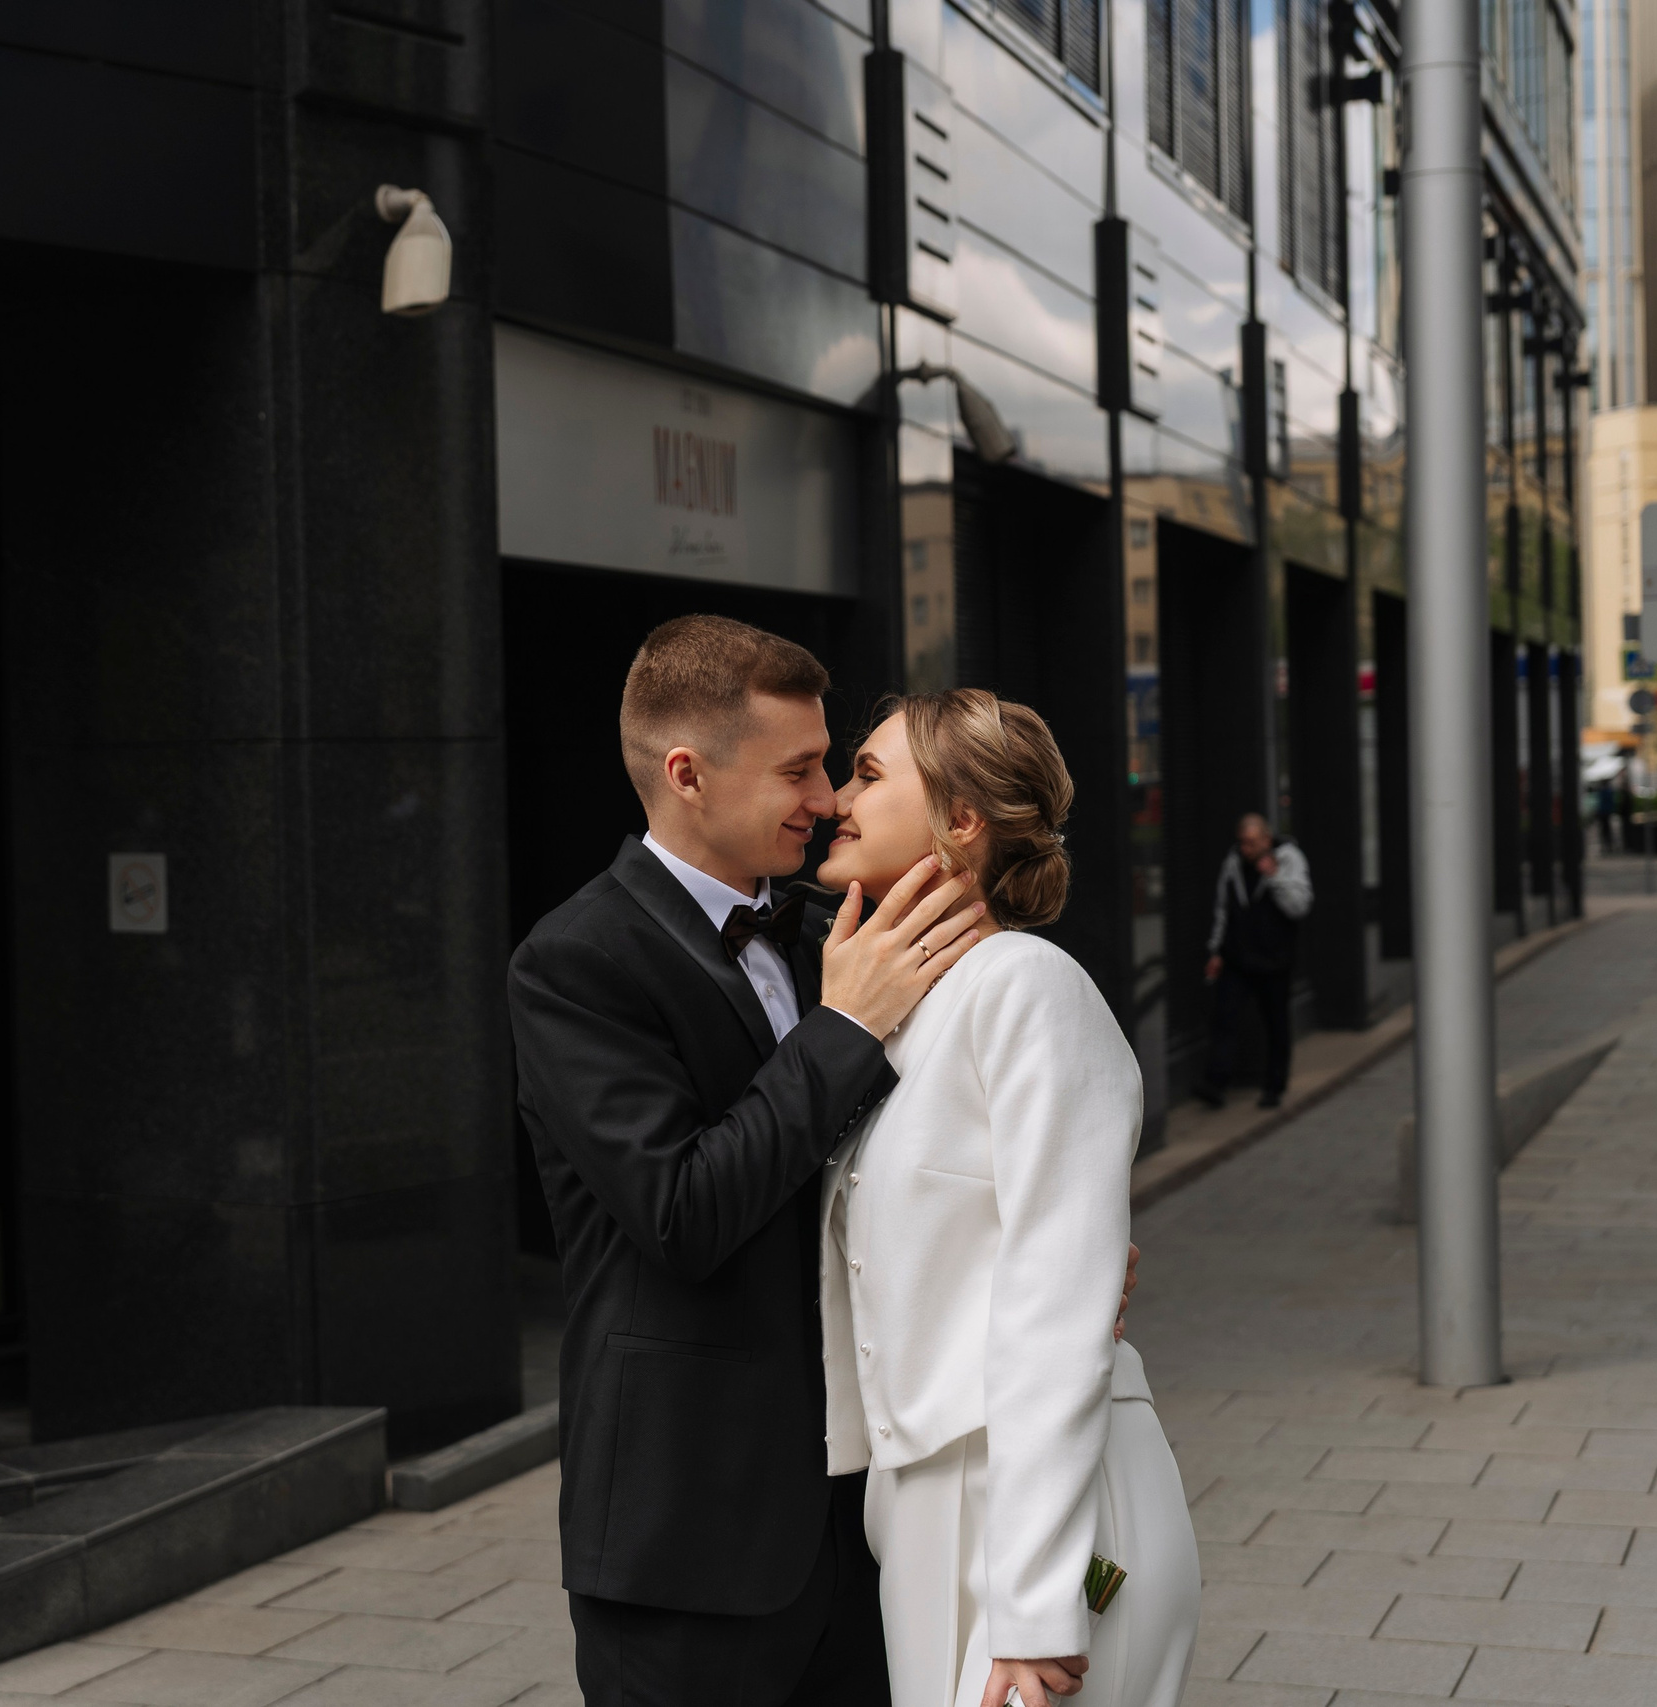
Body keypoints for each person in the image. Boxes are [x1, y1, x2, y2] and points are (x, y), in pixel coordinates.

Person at [506, 616, 992, 1707]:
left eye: (830, 765)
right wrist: (844, 1032)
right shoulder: (575, 961)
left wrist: (1058, 1244)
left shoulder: (834, 921)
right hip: (690, 1540)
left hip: (865, 1519)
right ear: (686, 774)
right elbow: (680, 1210)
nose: (826, 798)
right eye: (800, 768)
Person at [814, 689, 1199, 1707]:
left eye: (865, 773)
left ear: (962, 820)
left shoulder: (1025, 987)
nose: (832, 800)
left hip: (1038, 1511)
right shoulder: (891, 1022)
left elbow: (1053, 1307)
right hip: (926, 1508)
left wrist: (1032, 1606)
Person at [1197, 812, 1312, 1112]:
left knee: (1276, 1025)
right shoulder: (1234, 861)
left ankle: (1274, 1086)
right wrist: (1216, 951)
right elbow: (1224, 908)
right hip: (1237, 959)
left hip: (1275, 960)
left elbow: (1299, 906)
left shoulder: (1289, 858)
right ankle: (1215, 1083)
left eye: (1251, 843)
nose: (1245, 849)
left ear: (1266, 839)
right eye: (1242, 843)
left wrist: (1274, 877)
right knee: (1224, 1018)